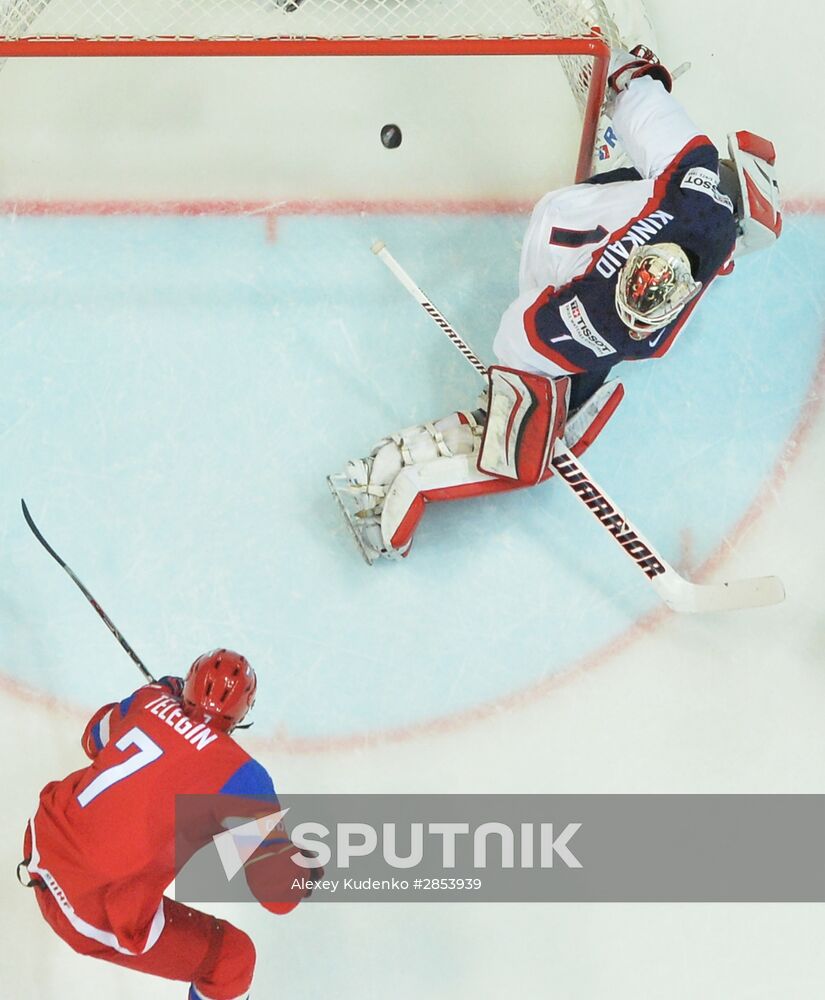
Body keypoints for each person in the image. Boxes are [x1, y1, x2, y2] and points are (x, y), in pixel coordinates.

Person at [328, 46, 781, 564]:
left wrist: (628, 73)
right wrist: (523, 400)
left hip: (574, 226)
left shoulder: (694, 167)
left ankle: (551, 397)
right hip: (563, 254)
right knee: (527, 447)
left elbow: (641, 96)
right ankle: (539, 412)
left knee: (570, 347)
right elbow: (524, 336)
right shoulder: (621, 313)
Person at [19, 649, 319, 1000]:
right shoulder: (241, 778)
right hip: (88, 910)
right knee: (232, 961)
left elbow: (93, 739)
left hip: (44, 844)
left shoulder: (150, 699)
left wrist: (163, 691)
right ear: (243, 712)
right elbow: (278, 897)